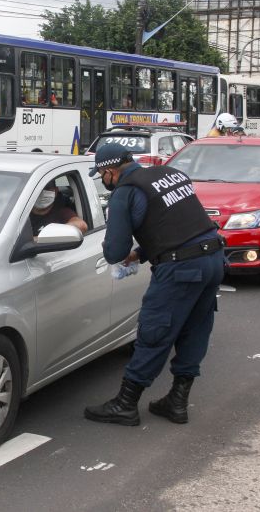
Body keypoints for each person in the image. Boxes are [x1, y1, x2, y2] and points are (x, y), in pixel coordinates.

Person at [84, 143, 224, 426]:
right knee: (194, 330)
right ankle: (177, 401)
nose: (104, 182)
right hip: (214, 259)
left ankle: (125, 403)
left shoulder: (125, 193)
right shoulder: (168, 173)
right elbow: (176, 224)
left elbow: (113, 252)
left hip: (181, 268)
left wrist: (122, 251)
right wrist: (141, 254)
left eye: (102, 177)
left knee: (154, 330)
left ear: (109, 171)